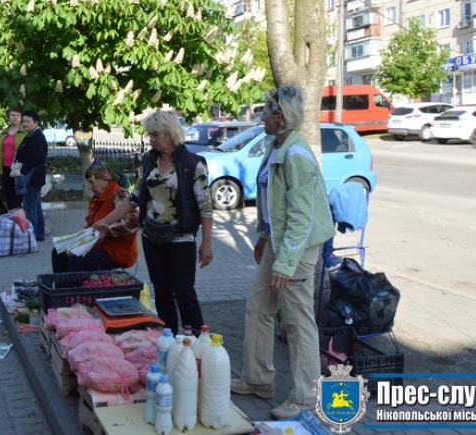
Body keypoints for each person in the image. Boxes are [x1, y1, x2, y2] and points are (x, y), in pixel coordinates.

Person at [231, 86, 335, 420]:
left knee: (297, 322)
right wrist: (263, 235)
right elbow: (272, 199)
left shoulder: (296, 155)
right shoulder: (278, 146)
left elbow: (302, 217)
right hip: (280, 244)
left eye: (265, 111)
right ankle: (259, 380)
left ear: (281, 115)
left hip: (299, 250)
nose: (261, 115)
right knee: (258, 309)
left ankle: (306, 396)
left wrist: (286, 262)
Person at [92, 110, 213, 335]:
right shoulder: (149, 160)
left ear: (170, 133)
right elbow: (133, 198)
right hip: (152, 236)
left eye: (155, 134)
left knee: (184, 291)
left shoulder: (193, 164)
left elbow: (205, 207)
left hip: (181, 237)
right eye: (150, 135)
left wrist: (207, 243)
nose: (151, 139)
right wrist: (104, 222)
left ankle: (197, 338)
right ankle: (168, 337)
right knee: (162, 291)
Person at [52, 160, 139, 273]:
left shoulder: (119, 193)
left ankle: (76, 289)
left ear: (104, 179)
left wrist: (107, 230)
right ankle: (62, 289)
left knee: (77, 260)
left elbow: (133, 222)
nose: (90, 187)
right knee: (58, 251)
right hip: (99, 246)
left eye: (92, 182)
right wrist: (77, 242)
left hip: (118, 251)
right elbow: (91, 228)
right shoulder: (97, 199)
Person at [14, 111, 48, 242]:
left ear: (36, 122)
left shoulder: (37, 137)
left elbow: (33, 158)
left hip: (32, 177)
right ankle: (39, 234)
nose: (25, 124)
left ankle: (31, 235)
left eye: (28, 121)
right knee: (36, 205)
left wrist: (22, 171)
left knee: (30, 207)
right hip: (32, 176)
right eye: (24, 122)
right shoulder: (31, 135)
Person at [0, 107, 26, 211]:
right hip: (5, 167)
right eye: (12, 115)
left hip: (19, 168)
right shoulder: (4, 132)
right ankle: (12, 215)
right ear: (8, 117)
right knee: (8, 193)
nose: (15, 118)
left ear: (21, 118)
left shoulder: (24, 132)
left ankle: (19, 216)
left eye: (17, 115)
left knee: (18, 194)